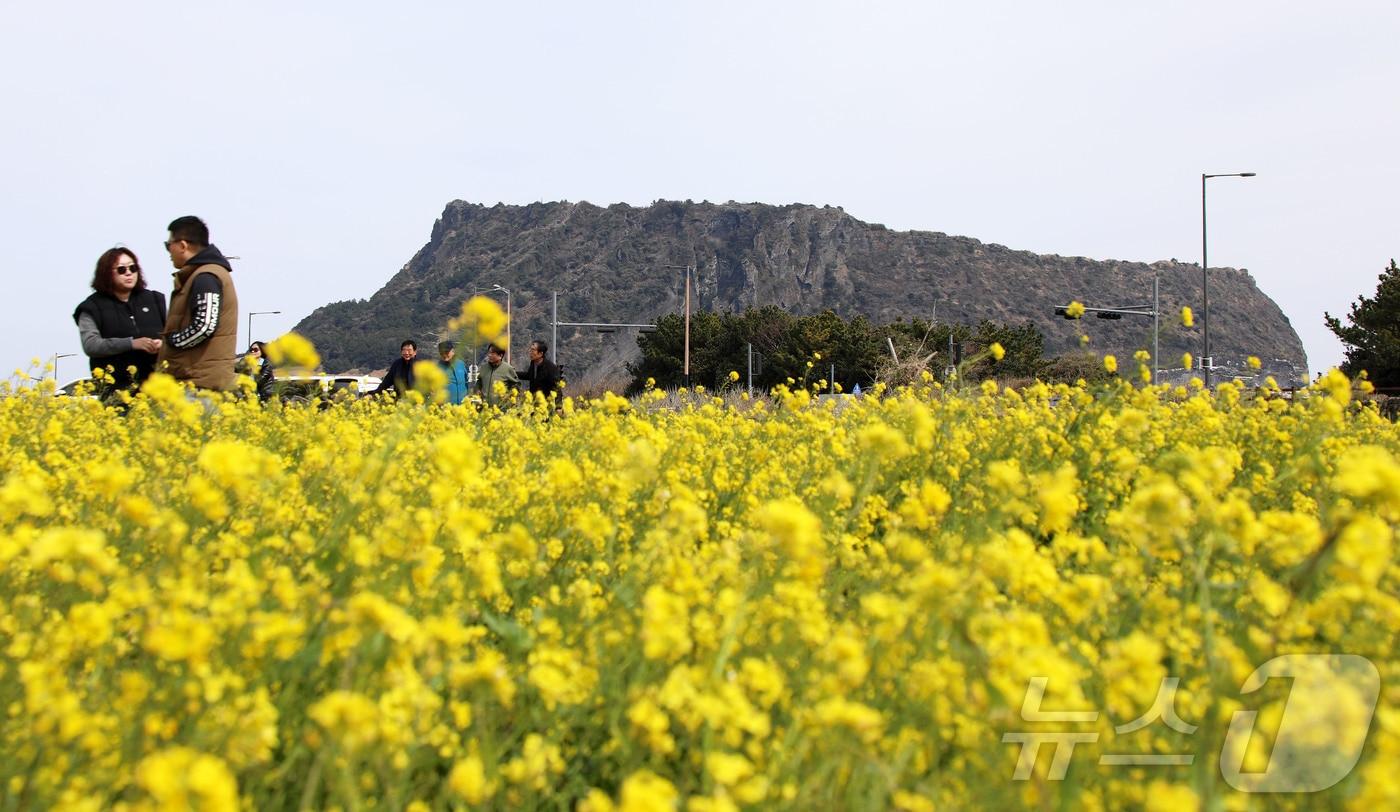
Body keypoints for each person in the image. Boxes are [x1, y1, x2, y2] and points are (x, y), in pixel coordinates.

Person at [156, 216, 240, 391]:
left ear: (183, 245)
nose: (168, 251)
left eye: (168, 245)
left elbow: (205, 326)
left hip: (198, 384)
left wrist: (171, 342)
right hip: (197, 380)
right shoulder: (199, 275)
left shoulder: (206, 277)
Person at [73, 247, 167, 397]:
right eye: (121, 269)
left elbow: (173, 335)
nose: (129, 272)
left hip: (157, 390)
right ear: (106, 273)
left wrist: (162, 344)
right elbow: (91, 345)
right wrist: (132, 343)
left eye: (133, 268)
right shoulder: (91, 307)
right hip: (117, 394)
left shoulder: (155, 300)